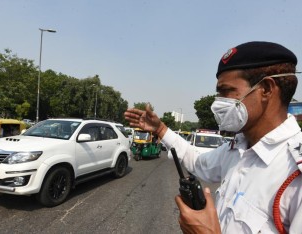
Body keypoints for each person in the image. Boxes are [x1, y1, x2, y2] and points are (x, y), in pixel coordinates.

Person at [124, 41, 302, 233]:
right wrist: (161, 130)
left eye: (226, 92)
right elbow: (198, 162)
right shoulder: (238, 148)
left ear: (266, 89)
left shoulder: (294, 172)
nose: (218, 103)